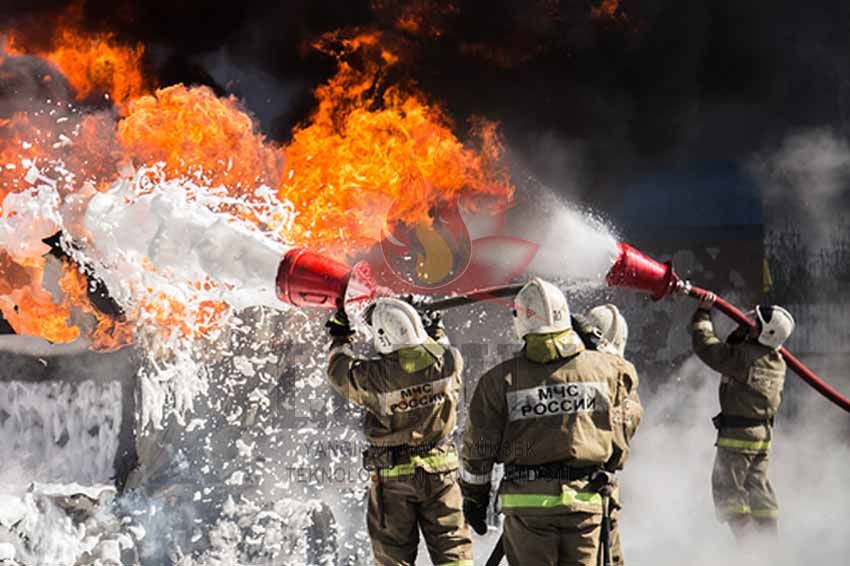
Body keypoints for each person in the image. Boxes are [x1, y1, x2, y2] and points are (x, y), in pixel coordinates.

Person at [459, 278, 637, 566]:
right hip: (585, 503)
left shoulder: (498, 381)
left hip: (528, 508)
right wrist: (596, 346)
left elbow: (479, 449)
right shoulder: (607, 369)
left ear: (520, 323)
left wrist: (475, 499)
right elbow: (627, 416)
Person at [325, 297, 473, 566]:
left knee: (393, 556)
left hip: (394, 480)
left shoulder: (376, 376)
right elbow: (440, 347)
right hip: (441, 474)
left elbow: (338, 371)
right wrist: (434, 327)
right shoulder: (451, 361)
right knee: (452, 547)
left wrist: (341, 337)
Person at [691, 293, 794, 540]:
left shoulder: (744, 359)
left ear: (765, 333)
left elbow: (707, 347)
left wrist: (703, 313)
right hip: (761, 436)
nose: (748, 320)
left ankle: (749, 550)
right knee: (757, 490)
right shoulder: (775, 359)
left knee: (728, 490)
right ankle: (770, 547)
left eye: (754, 321)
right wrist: (745, 331)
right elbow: (739, 346)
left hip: (739, 436)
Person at [584, 304, 642, 566]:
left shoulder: (582, 374)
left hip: (580, 490)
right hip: (606, 491)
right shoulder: (628, 383)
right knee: (611, 558)